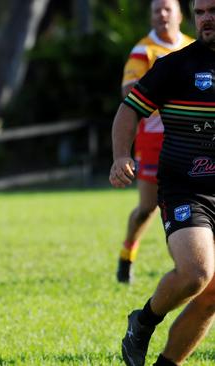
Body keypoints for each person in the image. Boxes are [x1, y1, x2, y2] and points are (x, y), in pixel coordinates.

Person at [111, 1, 215, 365]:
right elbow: (129, 108)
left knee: (212, 295)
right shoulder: (175, 65)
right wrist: (122, 155)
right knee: (196, 273)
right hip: (186, 188)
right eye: (201, 11)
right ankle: (144, 321)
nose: (207, 18)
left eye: (213, 10)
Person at [116, 0, 193, 284]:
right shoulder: (143, 50)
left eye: (167, 9)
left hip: (188, 138)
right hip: (152, 140)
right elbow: (128, 91)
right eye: (155, 11)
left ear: (180, 15)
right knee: (148, 207)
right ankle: (127, 254)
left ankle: (189, 265)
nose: (161, 15)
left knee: (188, 201)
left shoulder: (192, 47)